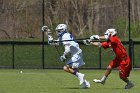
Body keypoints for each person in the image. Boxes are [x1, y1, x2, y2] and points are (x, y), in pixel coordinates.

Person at [42, 24, 90, 88]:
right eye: (57, 31)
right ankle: (85, 84)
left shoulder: (65, 36)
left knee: (66, 68)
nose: (58, 32)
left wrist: (64, 56)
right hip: (76, 53)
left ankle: (81, 76)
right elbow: (55, 43)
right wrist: (49, 34)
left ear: (63, 30)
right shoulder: (63, 36)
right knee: (75, 70)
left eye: (59, 31)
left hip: (76, 53)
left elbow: (67, 50)